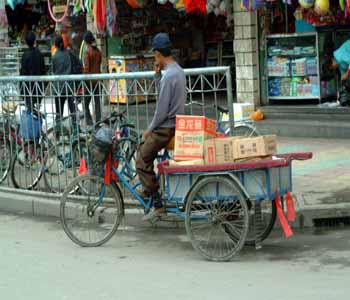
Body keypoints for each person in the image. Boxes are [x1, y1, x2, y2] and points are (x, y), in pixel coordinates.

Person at [136, 33, 186, 220]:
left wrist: (149, 130)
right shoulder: (178, 72)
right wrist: (157, 76)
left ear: (158, 53)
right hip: (175, 124)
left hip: (165, 128)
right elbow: (165, 96)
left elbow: (161, 111)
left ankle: (156, 202)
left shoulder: (170, 76)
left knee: (141, 158)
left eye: (154, 55)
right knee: (146, 153)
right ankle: (149, 189)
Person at [52, 35, 77, 137]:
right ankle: (76, 129)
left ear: (55, 45)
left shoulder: (55, 56)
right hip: (69, 86)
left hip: (58, 87)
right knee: (72, 110)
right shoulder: (68, 54)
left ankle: (58, 132)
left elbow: (54, 70)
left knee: (59, 111)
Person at [20, 31, 46, 112]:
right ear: (35, 41)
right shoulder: (39, 54)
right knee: (36, 110)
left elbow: (22, 72)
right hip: (38, 87)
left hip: (28, 88)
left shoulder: (25, 55)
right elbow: (43, 70)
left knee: (30, 110)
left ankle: (31, 123)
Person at [83, 31, 102, 125]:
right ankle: (99, 121)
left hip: (89, 81)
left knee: (85, 103)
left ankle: (89, 120)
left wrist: (83, 78)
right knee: (97, 102)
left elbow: (86, 68)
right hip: (98, 79)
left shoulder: (87, 52)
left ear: (86, 41)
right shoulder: (98, 51)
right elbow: (99, 64)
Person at [323, 39, 350, 106]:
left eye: (332, 67)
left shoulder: (340, 56)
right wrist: (340, 91)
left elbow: (346, 74)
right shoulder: (339, 64)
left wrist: (347, 74)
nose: (334, 68)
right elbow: (343, 77)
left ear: (332, 60)